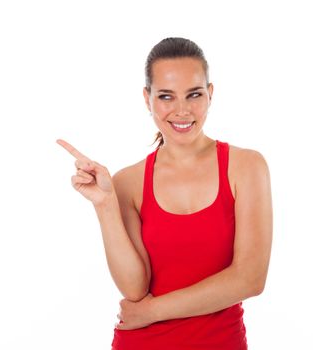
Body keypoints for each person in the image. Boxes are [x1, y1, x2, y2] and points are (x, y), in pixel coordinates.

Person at [56, 37, 273, 350]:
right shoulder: (128, 182)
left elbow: (250, 278)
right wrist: (105, 205)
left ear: (210, 94)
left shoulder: (247, 167)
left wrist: (153, 311)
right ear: (148, 99)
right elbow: (135, 288)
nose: (182, 110)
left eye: (194, 94)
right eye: (166, 97)